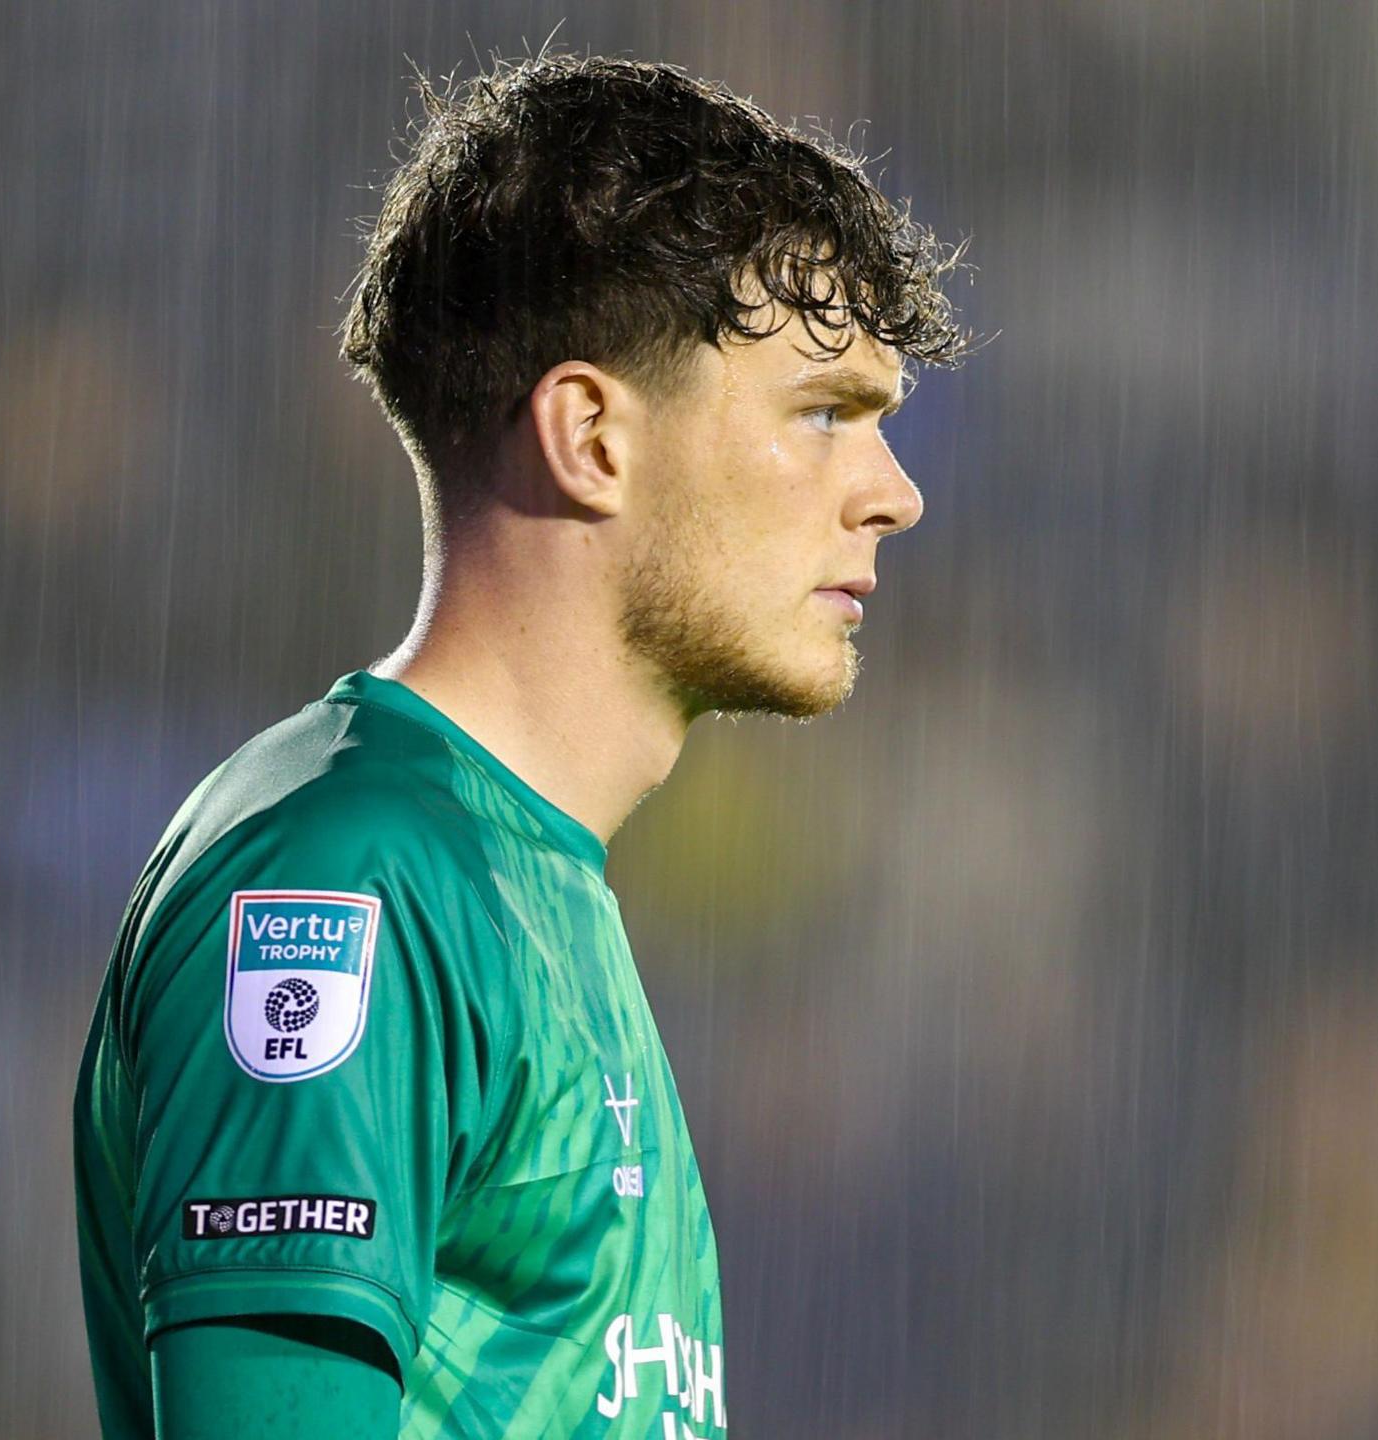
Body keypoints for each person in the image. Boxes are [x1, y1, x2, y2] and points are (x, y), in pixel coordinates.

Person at [71, 52, 973, 1439]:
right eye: (822, 413)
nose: (894, 495)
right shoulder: (349, 881)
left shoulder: (526, 882)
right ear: (593, 437)